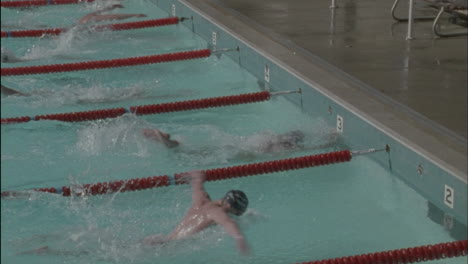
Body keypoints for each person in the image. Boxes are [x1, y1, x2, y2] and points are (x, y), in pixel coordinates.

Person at [16, 171, 251, 256]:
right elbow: (225, 221)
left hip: (159, 239)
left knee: (112, 245)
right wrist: (238, 237)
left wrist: (196, 176)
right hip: (164, 247)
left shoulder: (203, 201)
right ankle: (54, 252)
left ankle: (52, 245)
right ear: (232, 207)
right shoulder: (218, 212)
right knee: (101, 257)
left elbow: (197, 181)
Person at [141, 171, 250, 255]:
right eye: (237, 213)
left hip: (162, 240)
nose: (236, 215)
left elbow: (197, 180)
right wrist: (239, 237)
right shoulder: (216, 211)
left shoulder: (201, 200)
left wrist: (199, 177)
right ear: (230, 206)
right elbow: (227, 222)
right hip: (171, 248)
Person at [78, 4, 147, 25]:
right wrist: (134, 15)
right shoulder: (89, 19)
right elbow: (114, 17)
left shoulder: (84, 19)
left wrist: (111, 7)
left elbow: (96, 13)